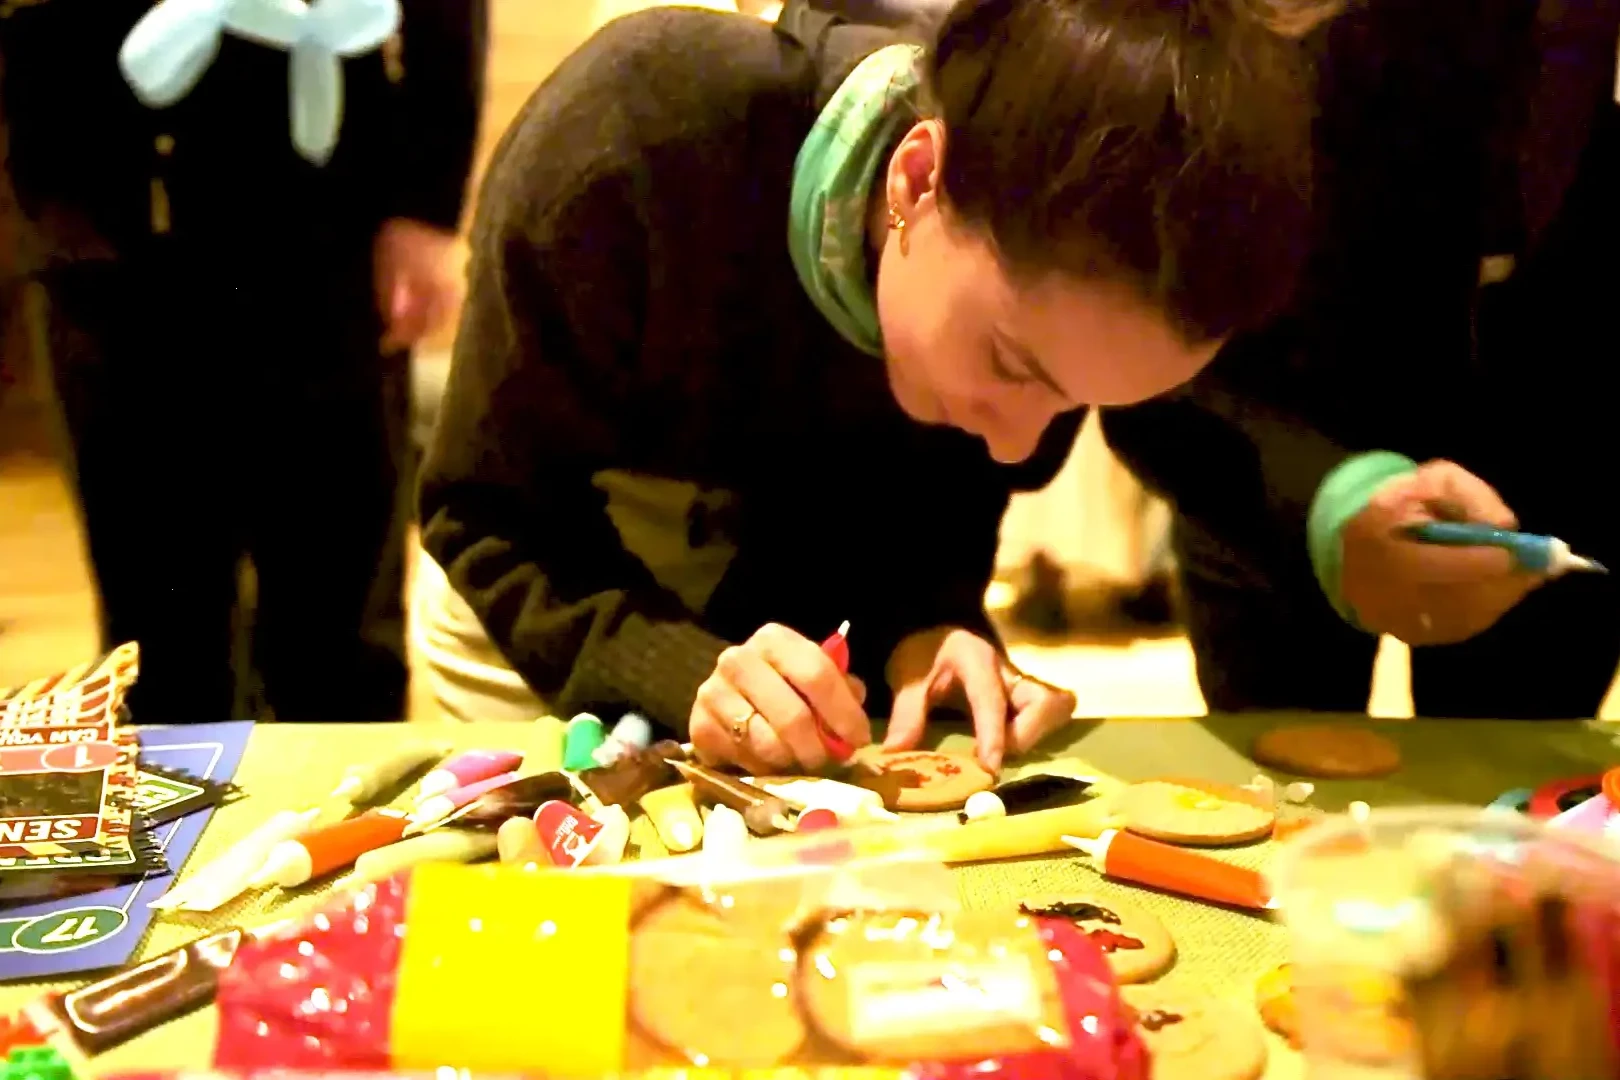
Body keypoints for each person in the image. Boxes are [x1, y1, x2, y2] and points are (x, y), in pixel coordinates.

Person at [417, 0, 1332, 772]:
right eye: (1014, 365)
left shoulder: (1036, 303)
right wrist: (678, 667)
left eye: (1073, 405)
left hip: (805, 649)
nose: (1019, 446)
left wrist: (927, 631)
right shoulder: (635, 142)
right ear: (918, 179)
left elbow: (926, 525)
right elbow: (487, 512)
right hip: (548, 611)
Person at [1102, 0, 1620, 718]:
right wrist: (1321, 500)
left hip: (1565, 471)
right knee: (1274, 803)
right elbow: (1124, 319)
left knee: (1515, 808)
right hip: (1260, 460)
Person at [0, 0, 488, 723]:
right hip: (103, 213)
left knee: (337, 630)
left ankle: (341, 830)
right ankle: (174, 829)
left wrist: (429, 205)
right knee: (156, 636)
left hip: (329, 224)